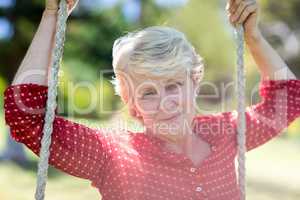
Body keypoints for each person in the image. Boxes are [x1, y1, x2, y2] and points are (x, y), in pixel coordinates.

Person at [3, 0, 300, 199]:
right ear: (132, 104)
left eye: (173, 85)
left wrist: (253, 37)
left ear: (194, 83)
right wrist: (53, 17)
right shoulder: (113, 156)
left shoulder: (225, 134)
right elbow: (25, 117)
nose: (165, 102)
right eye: (147, 92)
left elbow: (287, 101)